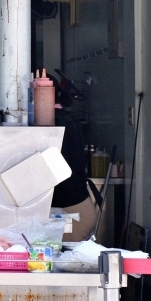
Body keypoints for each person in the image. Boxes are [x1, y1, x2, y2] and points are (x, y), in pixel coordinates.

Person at [50, 79, 99, 241]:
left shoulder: (58, 122)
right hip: (72, 206)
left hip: (74, 212)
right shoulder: (65, 119)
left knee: (57, 258)